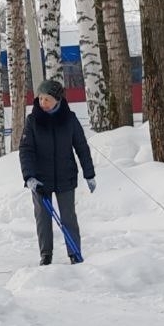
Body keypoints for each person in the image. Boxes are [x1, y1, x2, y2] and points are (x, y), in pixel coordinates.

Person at [19, 77, 95, 265]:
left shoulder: (69, 119)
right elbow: (26, 149)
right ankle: (46, 255)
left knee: (68, 216)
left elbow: (81, 147)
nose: (42, 102)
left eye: (47, 99)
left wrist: (89, 174)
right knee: (43, 218)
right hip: (40, 179)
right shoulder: (32, 120)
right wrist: (29, 176)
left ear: (57, 100)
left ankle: (74, 253)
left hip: (65, 176)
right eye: (40, 98)